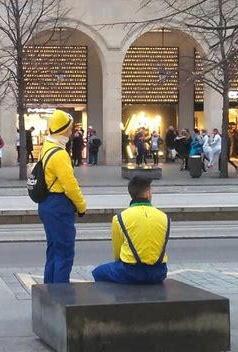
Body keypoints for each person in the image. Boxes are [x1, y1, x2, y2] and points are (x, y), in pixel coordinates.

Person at [38, 109, 86, 283]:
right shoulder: (60, 154)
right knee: (64, 253)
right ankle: (60, 295)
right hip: (59, 205)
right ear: (64, 130)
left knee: (53, 250)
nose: (72, 132)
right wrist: (81, 206)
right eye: (70, 128)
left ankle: (48, 291)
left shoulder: (47, 147)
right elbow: (70, 185)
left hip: (47, 204)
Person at [92, 176, 170, 284]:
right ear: (147, 193)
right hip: (159, 272)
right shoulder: (164, 217)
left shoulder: (119, 218)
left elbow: (117, 251)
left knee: (98, 272)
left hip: (131, 271)